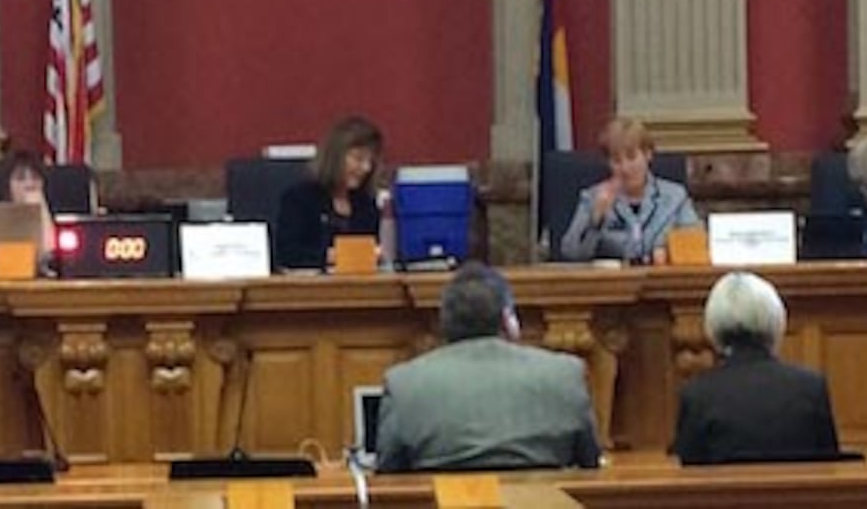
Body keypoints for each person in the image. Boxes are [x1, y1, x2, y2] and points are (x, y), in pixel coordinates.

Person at [375, 262, 601, 471]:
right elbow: (589, 461)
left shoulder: (403, 383)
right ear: (508, 321)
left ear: (444, 325)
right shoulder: (565, 373)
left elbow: (387, 471)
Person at [672, 271, 839, 464]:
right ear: (776, 320)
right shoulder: (811, 386)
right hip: (795, 494)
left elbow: (688, 472)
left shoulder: (697, 393)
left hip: (725, 494)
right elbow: (830, 466)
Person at [561, 116, 699, 263]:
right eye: (616, 161)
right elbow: (571, 253)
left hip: (663, 282)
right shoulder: (593, 197)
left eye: (631, 157)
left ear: (648, 155)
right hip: (613, 283)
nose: (625, 168)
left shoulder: (675, 197)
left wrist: (669, 253)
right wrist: (596, 220)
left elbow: (695, 244)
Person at [274, 116, 383, 270]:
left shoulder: (367, 204)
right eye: (358, 159)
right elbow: (287, 254)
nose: (366, 168)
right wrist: (329, 256)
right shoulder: (299, 199)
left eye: (370, 162)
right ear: (335, 157)